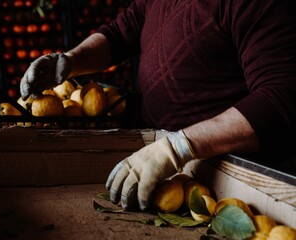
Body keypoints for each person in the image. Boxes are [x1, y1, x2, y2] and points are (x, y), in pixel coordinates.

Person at [20, 0, 296, 211]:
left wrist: (178, 147)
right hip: (153, 164)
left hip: (220, 181)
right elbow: (120, 33)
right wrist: (72, 61)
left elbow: (280, 99)